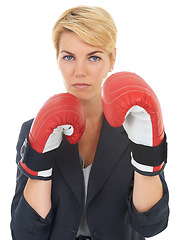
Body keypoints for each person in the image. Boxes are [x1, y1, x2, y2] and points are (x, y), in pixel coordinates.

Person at [10, 6, 169, 240]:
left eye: (94, 57)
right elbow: (25, 235)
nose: (80, 71)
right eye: (69, 57)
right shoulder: (32, 130)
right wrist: (39, 167)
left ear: (112, 59)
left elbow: (152, 225)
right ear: (57, 59)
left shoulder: (139, 124)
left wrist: (147, 154)